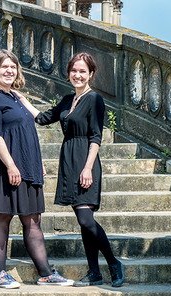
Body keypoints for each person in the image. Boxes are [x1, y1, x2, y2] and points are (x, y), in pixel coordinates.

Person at [23, 52, 125, 287]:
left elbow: (96, 137)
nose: (77, 75)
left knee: (86, 219)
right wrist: (19, 97)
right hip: (69, 163)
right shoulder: (68, 99)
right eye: (74, 71)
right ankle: (94, 272)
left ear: (91, 74)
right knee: (83, 221)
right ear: (69, 73)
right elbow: (42, 118)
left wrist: (88, 168)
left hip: (85, 162)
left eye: (82, 71)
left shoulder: (95, 99)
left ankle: (113, 263)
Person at [0, 50, 74, 288]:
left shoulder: (16, 98)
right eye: (4, 67)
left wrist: (35, 161)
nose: (9, 70)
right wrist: (10, 165)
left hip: (27, 168)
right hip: (5, 169)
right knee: (1, 219)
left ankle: (45, 273)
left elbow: (28, 131)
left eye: (13, 66)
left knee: (33, 221)